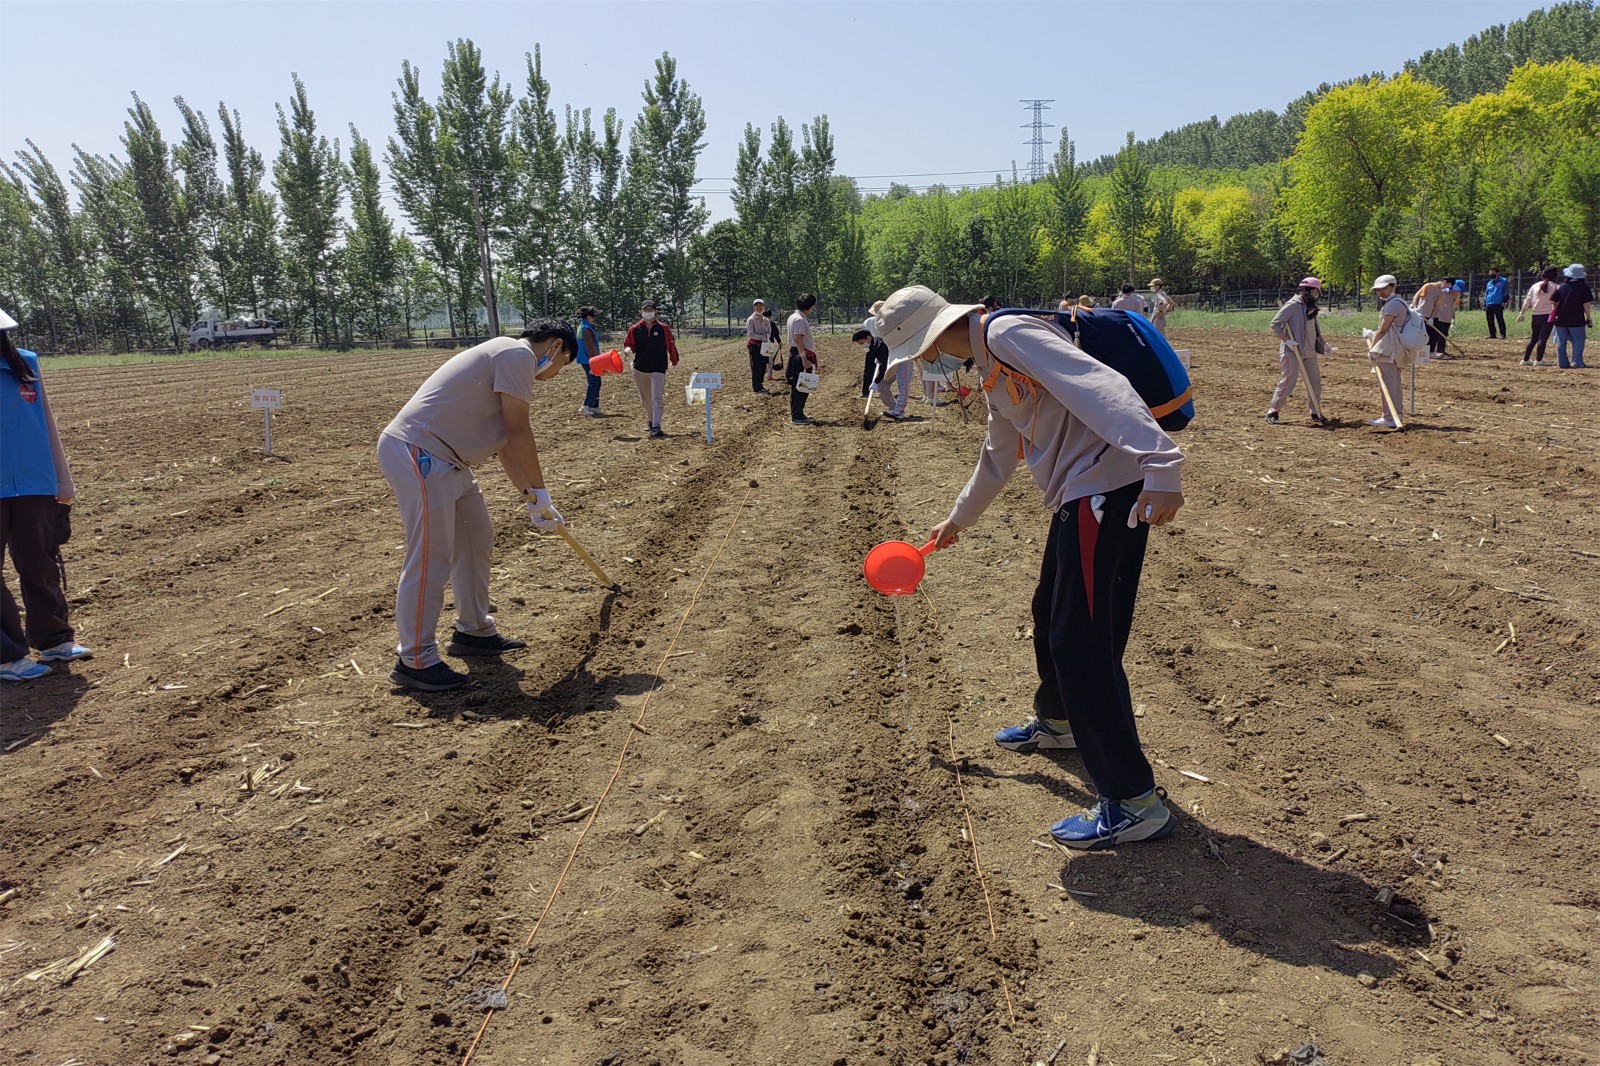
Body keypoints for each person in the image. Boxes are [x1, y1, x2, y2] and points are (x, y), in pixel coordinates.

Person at [872, 285, 1184, 849]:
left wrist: (1162, 464)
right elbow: (998, 454)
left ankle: (1133, 800)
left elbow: (1102, 387)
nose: (924, 362)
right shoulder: (992, 364)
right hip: (1079, 492)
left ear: (933, 339)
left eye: (917, 352)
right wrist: (957, 520)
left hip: (1104, 489)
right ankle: (1060, 722)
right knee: (1050, 611)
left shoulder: (1007, 334)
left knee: (1082, 640)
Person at [377, 319, 578, 692]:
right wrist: (542, 490)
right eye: (564, 363)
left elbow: (505, 444)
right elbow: (518, 430)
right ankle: (415, 658)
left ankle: (473, 631)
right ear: (555, 346)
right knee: (431, 555)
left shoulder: (509, 361)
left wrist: (532, 498)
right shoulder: (517, 354)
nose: (555, 375)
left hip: (452, 461)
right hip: (420, 452)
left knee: (475, 539)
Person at [1, 309, 92, 682]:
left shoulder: (26, 364)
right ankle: (7, 655)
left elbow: (47, 424)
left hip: (34, 483)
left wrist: (63, 479)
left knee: (41, 562)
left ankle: (54, 638)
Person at [1265, 278, 1327, 426]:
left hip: (1309, 351)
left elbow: (1315, 328)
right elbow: (1275, 324)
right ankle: (1273, 412)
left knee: (1315, 382)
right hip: (1292, 351)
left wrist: (1324, 345)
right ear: (1313, 291)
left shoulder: (1310, 306)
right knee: (1288, 381)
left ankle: (1315, 412)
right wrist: (1286, 341)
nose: (1317, 296)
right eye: (1317, 293)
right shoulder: (1293, 305)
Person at [623, 299, 680, 438]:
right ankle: (651, 420)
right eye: (645, 310)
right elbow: (629, 344)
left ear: (655, 311)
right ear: (641, 311)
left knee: (657, 398)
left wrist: (674, 360)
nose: (648, 312)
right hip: (640, 368)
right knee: (646, 399)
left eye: (650, 310)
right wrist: (628, 350)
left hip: (658, 368)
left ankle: (656, 425)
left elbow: (670, 344)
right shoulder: (635, 329)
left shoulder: (663, 328)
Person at [1366, 274, 1411, 429]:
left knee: (1387, 384)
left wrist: (1373, 348)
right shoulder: (1399, 302)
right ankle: (1396, 415)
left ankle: (1389, 418)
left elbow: (1383, 330)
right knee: (1394, 383)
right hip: (1396, 348)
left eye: (1384, 288)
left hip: (1388, 350)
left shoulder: (1392, 305)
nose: (1380, 292)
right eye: (1378, 290)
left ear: (1393, 286)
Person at [1516, 266, 1561, 366]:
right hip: (1548, 316)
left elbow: (1527, 300)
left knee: (1534, 339)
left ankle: (1525, 359)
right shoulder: (1556, 287)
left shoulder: (1534, 286)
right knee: (1543, 338)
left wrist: (1522, 313)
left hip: (1535, 315)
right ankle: (1539, 360)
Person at [1552, 264, 1593, 370]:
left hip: (1560, 318)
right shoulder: (1584, 288)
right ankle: (1576, 361)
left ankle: (1562, 363)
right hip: (1577, 318)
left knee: (1561, 341)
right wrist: (1589, 317)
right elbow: (1586, 304)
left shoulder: (1561, 287)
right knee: (1578, 340)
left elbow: (1553, 301)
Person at [786, 294, 819, 427]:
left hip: (797, 353)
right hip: (800, 354)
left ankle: (798, 413)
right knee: (802, 386)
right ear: (811, 307)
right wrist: (804, 359)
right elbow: (798, 340)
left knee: (800, 385)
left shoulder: (794, 317)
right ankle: (797, 415)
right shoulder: (799, 320)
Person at [1413, 276, 1460, 358]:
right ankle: (1418, 353)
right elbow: (1416, 297)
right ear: (1445, 282)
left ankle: (1431, 352)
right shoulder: (1427, 286)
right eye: (1449, 285)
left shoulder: (1441, 292)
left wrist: (1432, 318)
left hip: (1432, 316)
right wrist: (1415, 308)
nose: (1448, 288)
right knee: (1421, 334)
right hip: (1421, 314)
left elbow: (1437, 306)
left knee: (1433, 334)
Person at [574, 306, 603, 416]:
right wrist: (596, 361)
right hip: (590, 360)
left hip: (585, 359)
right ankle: (587, 405)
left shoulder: (582, 327)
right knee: (594, 382)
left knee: (595, 382)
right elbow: (591, 347)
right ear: (589, 316)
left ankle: (594, 406)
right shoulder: (587, 329)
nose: (595, 318)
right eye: (594, 316)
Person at [744, 299, 772, 395]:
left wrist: (766, 337)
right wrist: (763, 337)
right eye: (757, 306)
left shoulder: (766, 320)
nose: (759, 308)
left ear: (764, 307)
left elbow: (769, 332)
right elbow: (751, 334)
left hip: (764, 346)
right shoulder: (751, 320)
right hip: (754, 346)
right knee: (756, 367)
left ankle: (760, 385)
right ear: (754, 307)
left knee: (763, 366)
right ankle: (757, 387)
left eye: (761, 306)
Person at [855, 321, 887, 399]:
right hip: (872, 350)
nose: (861, 345)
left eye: (861, 343)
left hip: (892, 361)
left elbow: (884, 367)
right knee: (868, 369)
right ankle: (866, 392)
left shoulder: (881, 346)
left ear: (868, 338)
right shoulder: (870, 346)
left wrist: (876, 382)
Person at [1483, 269, 1508, 340]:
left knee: (1500, 319)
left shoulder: (1503, 281)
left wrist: (1504, 301)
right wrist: (1485, 303)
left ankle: (1503, 334)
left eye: (1493, 274)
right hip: (1489, 303)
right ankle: (1492, 334)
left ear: (1497, 273)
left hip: (1498, 303)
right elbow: (1486, 293)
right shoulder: (1489, 283)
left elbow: (1506, 292)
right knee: (1489, 320)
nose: (1491, 275)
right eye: (1490, 274)